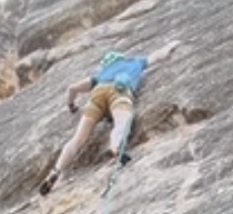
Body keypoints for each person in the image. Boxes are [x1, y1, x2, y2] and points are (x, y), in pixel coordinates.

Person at [39, 39, 179, 195]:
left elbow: (72, 88)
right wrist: (170, 46)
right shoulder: (134, 63)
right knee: (121, 123)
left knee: (77, 139)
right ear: (121, 58)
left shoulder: (101, 74)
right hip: (119, 91)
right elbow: (157, 56)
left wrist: (71, 105)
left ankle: (55, 172)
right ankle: (116, 148)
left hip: (97, 95)